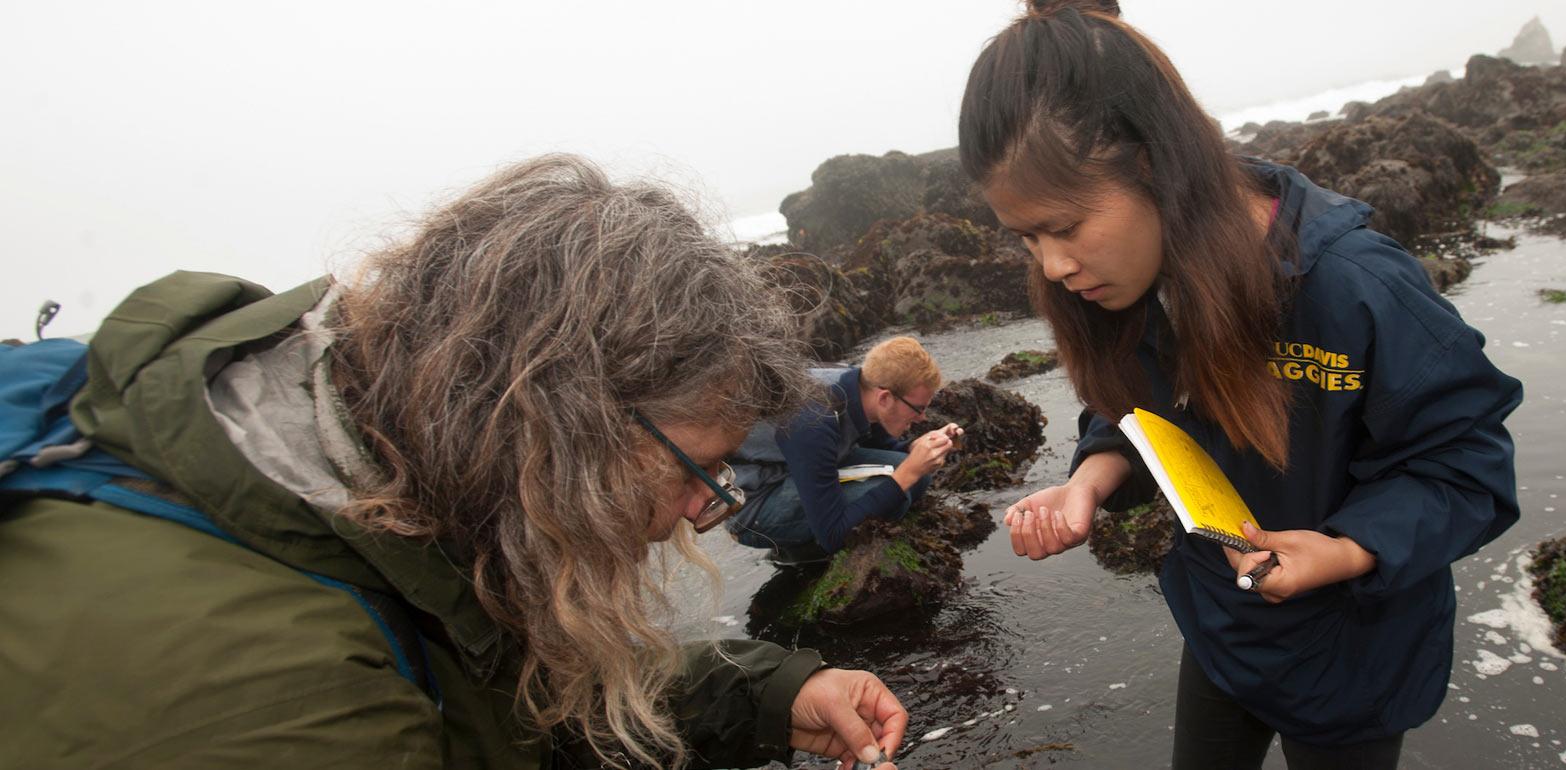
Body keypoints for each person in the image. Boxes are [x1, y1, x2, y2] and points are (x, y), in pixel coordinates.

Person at [0, 155, 907, 770]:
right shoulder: (279, 705)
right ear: (553, 422)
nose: (695, 510)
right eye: (692, 470)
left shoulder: (373, 477)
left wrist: (773, 691)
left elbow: (506, 692)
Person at [961, 3, 1524, 768]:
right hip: (1223, 629)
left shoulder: (1356, 288)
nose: (1053, 265)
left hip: (1350, 654)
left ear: (1155, 163)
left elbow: (1466, 468)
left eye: (1064, 226)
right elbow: (1133, 414)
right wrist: (1090, 482)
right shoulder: (1126, 285)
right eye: (1026, 237)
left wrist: (1345, 549)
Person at [727, 336, 962, 565]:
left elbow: (878, 444)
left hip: (795, 468)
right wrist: (908, 472)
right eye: (918, 408)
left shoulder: (860, 385)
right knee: (897, 492)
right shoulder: (814, 421)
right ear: (885, 398)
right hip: (754, 505)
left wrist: (915, 449)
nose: (922, 418)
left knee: (916, 478)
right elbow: (834, 535)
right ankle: (799, 553)